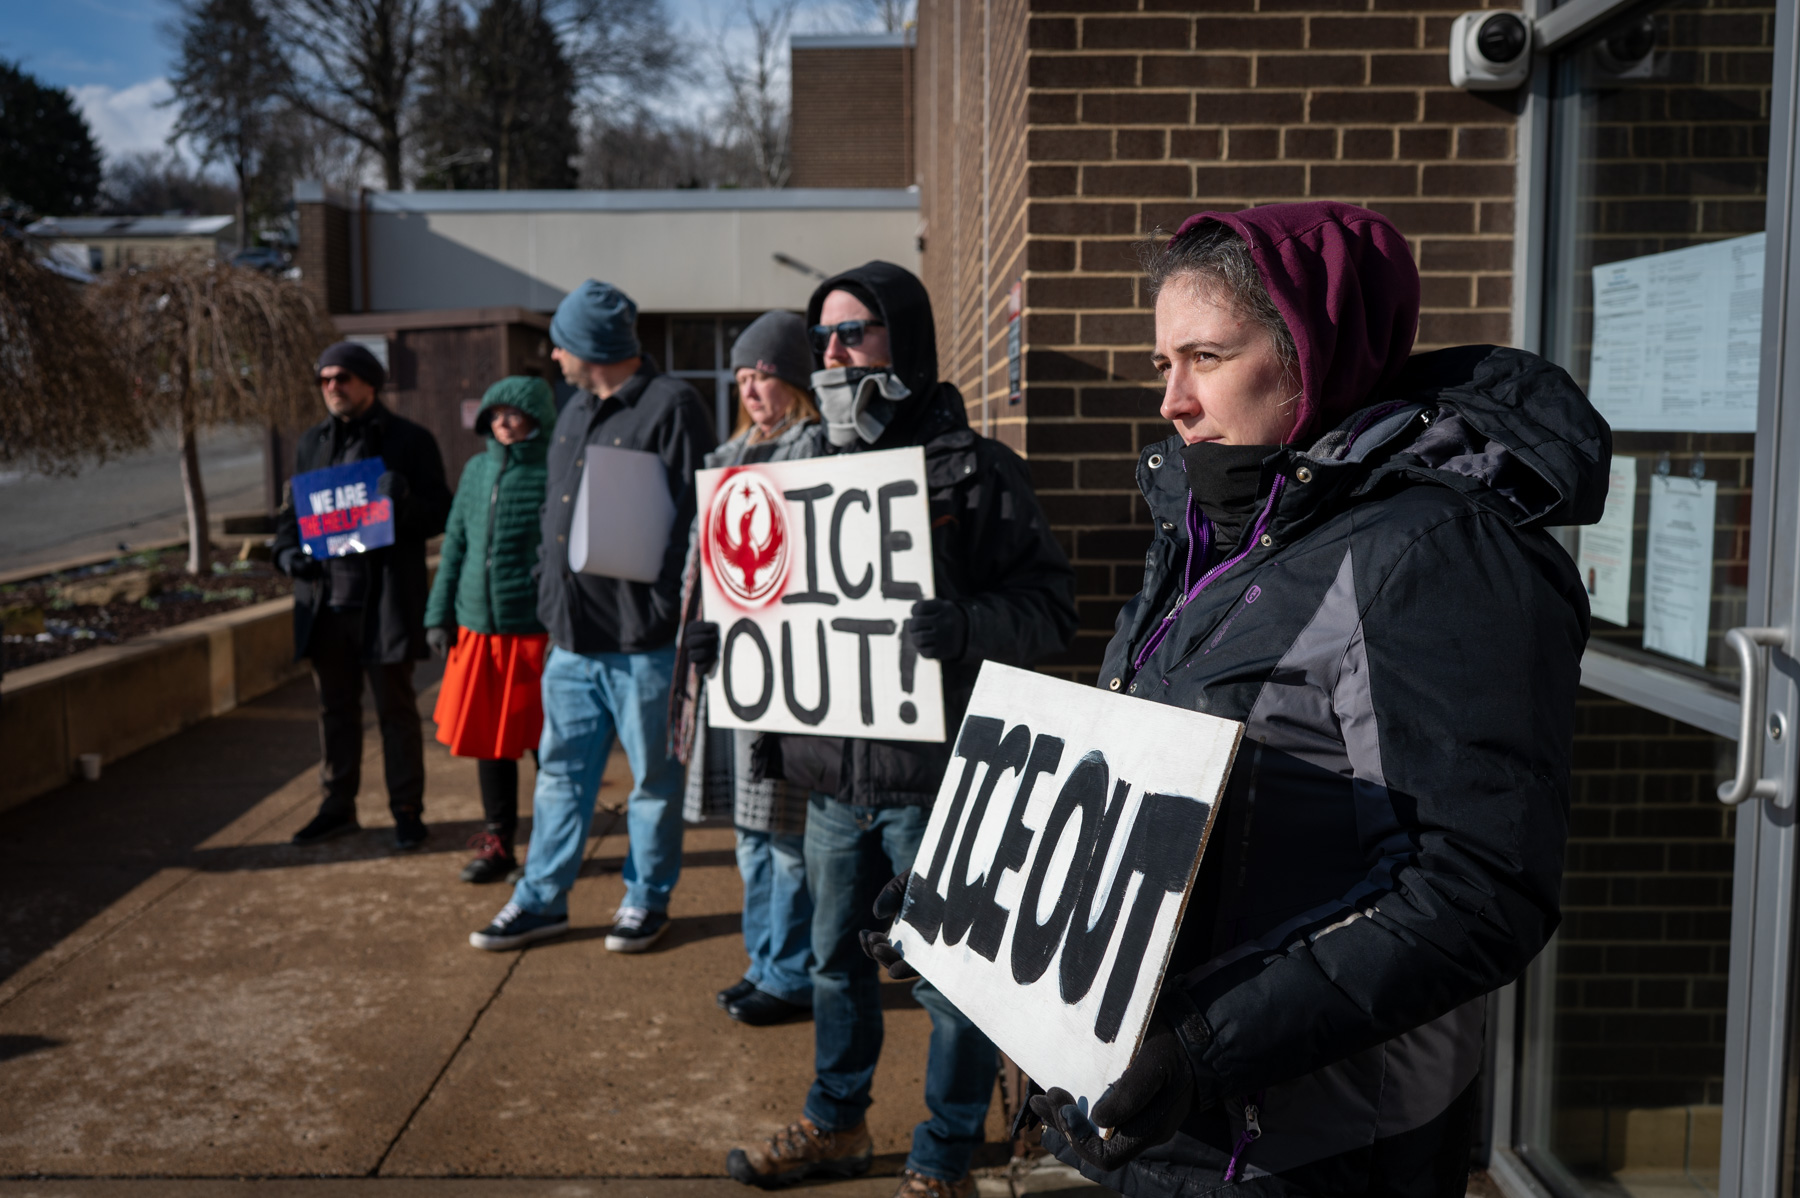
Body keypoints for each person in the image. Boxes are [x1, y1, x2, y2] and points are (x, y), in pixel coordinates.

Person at [989, 203, 1602, 1194]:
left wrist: (1206, 1047)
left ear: (1310, 356)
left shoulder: (1438, 552)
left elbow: (1477, 885)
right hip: (1171, 1112)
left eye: (1207, 355)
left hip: (1306, 1142)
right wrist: (981, 884)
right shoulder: (1208, 529)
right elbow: (1135, 765)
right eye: (1163, 364)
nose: (1173, 401)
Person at [706, 264, 1078, 1198]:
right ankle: (837, 1124)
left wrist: (966, 625)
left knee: (951, 986)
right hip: (834, 784)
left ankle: (943, 1156)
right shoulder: (800, 474)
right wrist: (737, 638)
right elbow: (775, 607)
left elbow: (1050, 611)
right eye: (823, 337)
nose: (832, 355)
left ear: (902, 339)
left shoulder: (972, 468)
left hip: (941, 783)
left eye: (855, 333)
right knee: (833, 965)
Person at [470, 280, 717, 954]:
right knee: (559, 776)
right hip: (571, 643)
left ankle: (645, 899)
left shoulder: (673, 407)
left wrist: (666, 607)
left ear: (592, 347)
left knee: (653, 783)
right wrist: (544, 594)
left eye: (562, 343)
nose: (552, 354)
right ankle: (540, 899)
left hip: (644, 644)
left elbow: (699, 518)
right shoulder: (572, 408)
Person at [672, 311, 826, 1027]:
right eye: (742, 376)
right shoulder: (724, 457)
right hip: (729, 674)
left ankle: (790, 976)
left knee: (785, 839)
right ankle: (763, 961)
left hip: (790, 676)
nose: (751, 387)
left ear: (793, 378)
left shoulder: (818, 449)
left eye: (763, 372)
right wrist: (696, 627)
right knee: (748, 835)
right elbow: (702, 566)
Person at [274, 340, 453, 849]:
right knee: (335, 713)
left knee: (395, 714)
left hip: (384, 604)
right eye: (325, 379)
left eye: (343, 378)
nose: (333, 387)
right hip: (326, 606)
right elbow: (290, 518)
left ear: (369, 383)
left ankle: (406, 810)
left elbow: (441, 513)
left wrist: (404, 501)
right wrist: (286, 555)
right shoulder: (311, 443)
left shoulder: (410, 441)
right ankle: (337, 806)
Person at [424, 375, 558, 884]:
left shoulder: (553, 471)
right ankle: (498, 841)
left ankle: (550, 845)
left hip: (536, 634)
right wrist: (438, 615)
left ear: (536, 417)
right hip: (479, 632)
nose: (502, 423)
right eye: (494, 415)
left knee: (549, 748)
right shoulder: (477, 470)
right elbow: (454, 545)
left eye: (512, 414)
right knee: (490, 743)